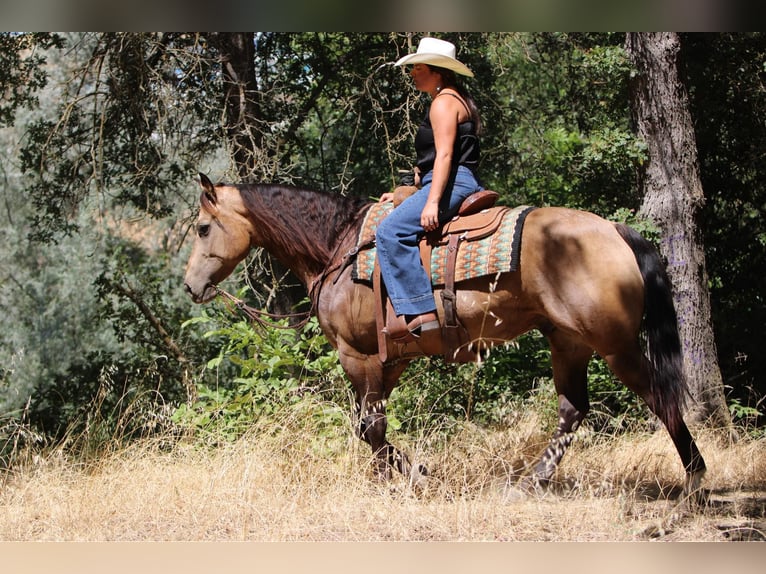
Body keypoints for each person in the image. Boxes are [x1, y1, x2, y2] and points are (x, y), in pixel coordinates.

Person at [376, 37, 483, 341]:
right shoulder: (454, 98)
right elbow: (435, 159)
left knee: (389, 232)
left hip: (452, 181)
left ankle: (420, 312)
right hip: (452, 179)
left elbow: (446, 156)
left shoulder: (443, 102)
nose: (412, 73)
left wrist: (432, 202)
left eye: (417, 67)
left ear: (436, 71)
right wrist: (411, 190)